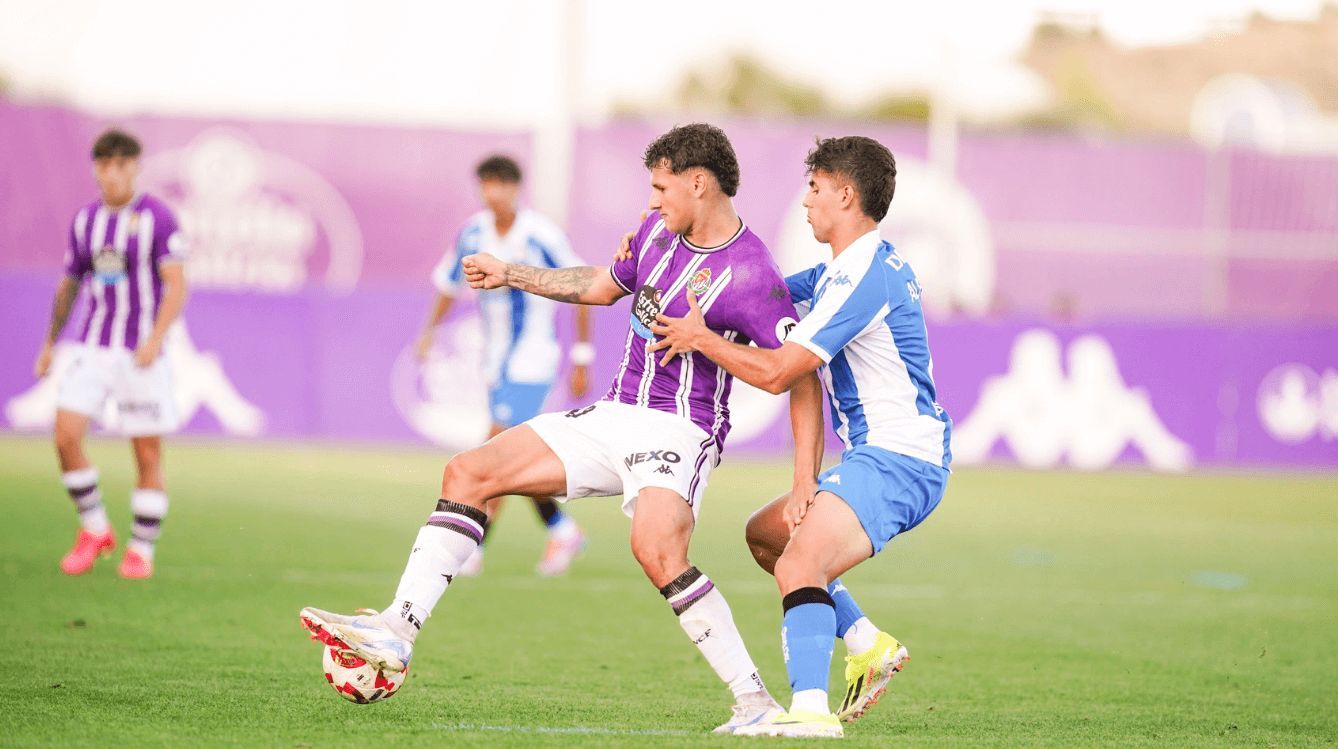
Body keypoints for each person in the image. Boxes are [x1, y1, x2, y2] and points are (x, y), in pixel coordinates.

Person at [300, 123, 820, 733]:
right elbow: (601, 286)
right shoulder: (656, 232)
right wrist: (509, 273)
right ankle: (396, 629)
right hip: (613, 412)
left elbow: (798, 376)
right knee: (468, 472)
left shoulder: (754, 274)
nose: (653, 201)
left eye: (661, 188)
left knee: (657, 550)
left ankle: (754, 702)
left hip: (681, 428)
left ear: (698, 183)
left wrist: (803, 478)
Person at [648, 135, 952, 738]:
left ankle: (811, 712)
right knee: (767, 539)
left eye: (814, 188)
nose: (806, 201)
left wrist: (702, 338)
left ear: (846, 193)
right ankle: (866, 642)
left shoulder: (862, 276)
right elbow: (765, 292)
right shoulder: (846, 268)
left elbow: (782, 371)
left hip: (900, 460)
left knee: (801, 564)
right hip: (883, 455)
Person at [414, 155, 591, 577]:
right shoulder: (474, 232)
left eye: (501, 185)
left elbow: (583, 283)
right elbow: (447, 283)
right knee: (516, 459)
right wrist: (429, 332)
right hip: (494, 362)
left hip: (531, 360)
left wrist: (582, 357)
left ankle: (471, 547)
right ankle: (562, 528)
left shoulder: (540, 234)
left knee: (493, 453)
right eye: (486, 185)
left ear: (515, 188)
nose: (493, 193)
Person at [33, 128, 189, 580]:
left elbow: (176, 283)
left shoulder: (158, 218)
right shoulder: (85, 222)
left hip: (140, 352)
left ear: (135, 167)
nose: (113, 173)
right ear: (96, 169)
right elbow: (69, 285)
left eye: (122, 164)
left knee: (146, 453)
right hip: (93, 347)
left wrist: (156, 339)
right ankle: (96, 528)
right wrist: (49, 344)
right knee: (65, 435)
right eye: (104, 164)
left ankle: (141, 548)